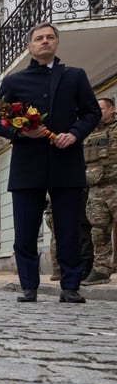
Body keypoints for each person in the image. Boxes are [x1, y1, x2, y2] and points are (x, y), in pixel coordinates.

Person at [0, 22, 100, 303]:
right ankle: (29, 286)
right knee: (25, 232)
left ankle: (70, 286)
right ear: (29, 46)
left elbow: (90, 113)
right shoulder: (14, 82)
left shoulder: (75, 76)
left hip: (66, 162)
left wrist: (74, 134)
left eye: (50, 37)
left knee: (69, 230)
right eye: (39, 38)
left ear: (57, 44)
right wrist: (20, 131)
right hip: (28, 165)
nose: (45, 41)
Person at [82, 97, 117, 285]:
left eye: (101, 109)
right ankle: (102, 269)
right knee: (98, 231)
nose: (98, 112)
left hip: (116, 185)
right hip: (96, 189)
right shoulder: (89, 133)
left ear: (111, 109)